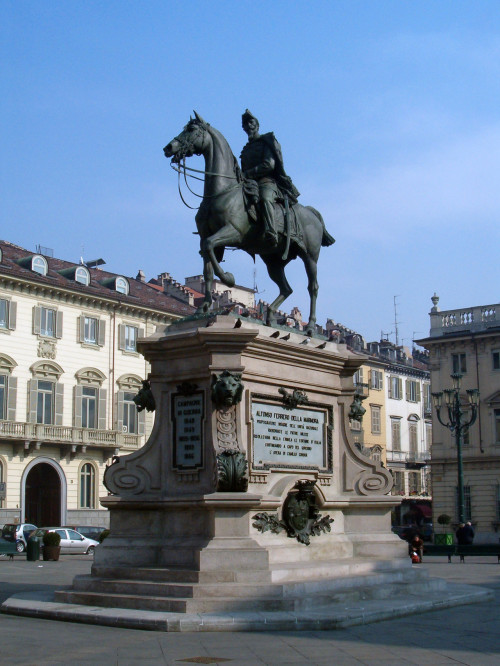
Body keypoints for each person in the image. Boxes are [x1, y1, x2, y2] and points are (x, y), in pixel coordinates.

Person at [240, 109, 299, 246]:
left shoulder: (266, 142)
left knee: (265, 199)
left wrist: (248, 174)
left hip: (267, 181)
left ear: (257, 125)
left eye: (251, 122)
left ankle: (272, 232)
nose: (248, 125)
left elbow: (269, 164)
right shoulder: (246, 150)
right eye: (245, 124)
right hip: (250, 183)